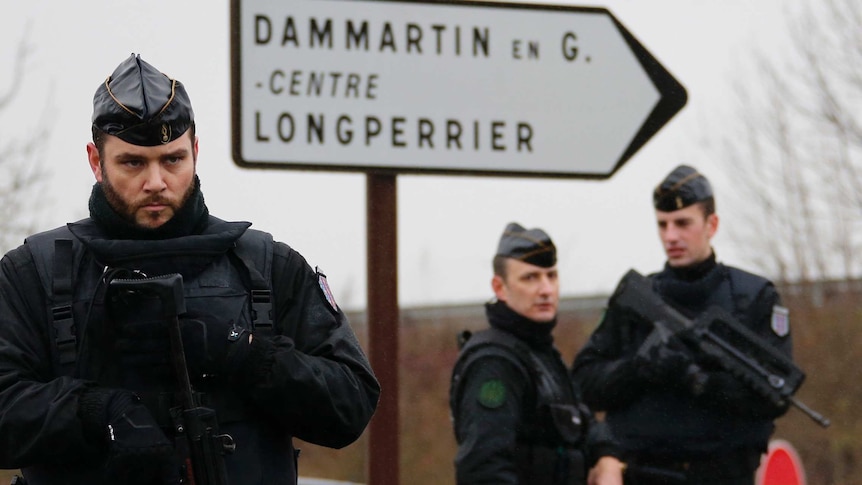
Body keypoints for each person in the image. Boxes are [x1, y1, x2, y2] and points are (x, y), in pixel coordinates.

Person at [0, 54, 380, 485]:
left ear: (196, 153)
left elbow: (350, 405)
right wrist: (96, 413)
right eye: (133, 163)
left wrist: (246, 352)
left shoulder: (266, 266)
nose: (156, 182)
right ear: (95, 160)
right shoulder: (34, 273)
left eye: (172, 160)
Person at [571, 165, 793, 484]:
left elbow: (774, 395)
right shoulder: (635, 300)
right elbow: (583, 384)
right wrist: (638, 368)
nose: (671, 236)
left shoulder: (754, 298)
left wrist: (695, 379)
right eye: (663, 225)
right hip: (641, 473)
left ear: (711, 224)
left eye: (683, 223)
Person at [449, 222, 625, 485]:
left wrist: (607, 459)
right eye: (530, 278)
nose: (546, 290)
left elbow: (584, 424)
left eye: (551, 276)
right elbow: (484, 470)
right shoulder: (494, 363)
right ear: (500, 288)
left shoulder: (543, 354)